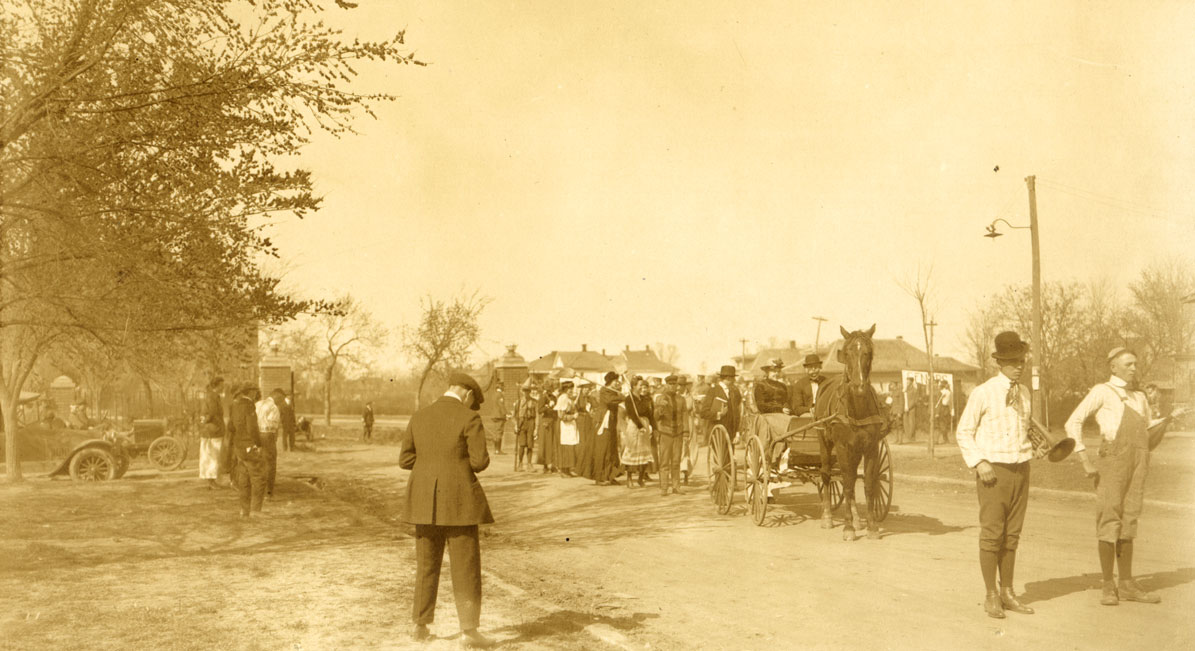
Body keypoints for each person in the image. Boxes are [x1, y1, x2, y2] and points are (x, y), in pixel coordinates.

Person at [1064, 348, 1186, 606]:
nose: (1134, 368)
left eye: (1135, 364)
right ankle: (1109, 585)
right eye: (1128, 364)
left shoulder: (1139, 397)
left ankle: (1127, 584)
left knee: (1130, 518)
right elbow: (1072, 422)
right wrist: (1084, 458)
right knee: (1110, 518)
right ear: (1114, 368)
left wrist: (1168, 420)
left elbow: (1148, 435)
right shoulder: (1102, 392)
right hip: (1113, 460)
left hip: (1139, 462)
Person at [399, 372, 493, 647]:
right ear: (468, 393)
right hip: (459, 503)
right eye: (473, 399)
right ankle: (468, 632)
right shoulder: (469, 417)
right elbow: (479, 461)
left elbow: (405, 460)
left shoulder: (420, 416)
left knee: (426, 565)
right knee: (466, 567)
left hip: (423, 503)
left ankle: (420, 625)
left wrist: (430, 466)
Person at [954, 331, 1036, 619]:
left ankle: (1008, 592)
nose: (1019, 365)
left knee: (1011, 536)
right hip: (994, 473)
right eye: (1012, 361)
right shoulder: (983, 392)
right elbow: (964, 431)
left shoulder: (1024, 393)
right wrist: (979, 463)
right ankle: (991, 595)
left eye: (1021, 360)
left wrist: (1033, 448)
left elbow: (1025, 429)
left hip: (1020, 469)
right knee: (992, 535)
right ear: (999, 362)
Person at [227, 383, 267, 517]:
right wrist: (258, 444)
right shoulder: (249, 405)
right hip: (250, 446)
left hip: (239, 447)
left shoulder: (234, 404)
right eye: (255, 392)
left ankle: (244, 510)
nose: (256, 394)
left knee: (243, 478)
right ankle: (256, 510)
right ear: (250, 392)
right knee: (258, 477)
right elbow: (252, 428)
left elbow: (231, 427)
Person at [653, 375, 687, 495]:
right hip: (665, 433)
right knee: (664, 461)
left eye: (674, 384)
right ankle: (664, 487)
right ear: (666, 385)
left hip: (678, 433)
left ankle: (676, 486)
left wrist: (686, 432)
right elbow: (656, 417)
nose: (672, 387)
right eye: (670, 384)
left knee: (676, 461)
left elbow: (684, 416)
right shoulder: (660, 399)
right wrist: (661, 408)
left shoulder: (681, 399)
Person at [620, 376, 656, 487]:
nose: (642, 388)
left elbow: (650, 415)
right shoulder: (629, 399)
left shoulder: (645, 398)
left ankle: (641, 478)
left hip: (644, 425)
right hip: (634, 426)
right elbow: (632, 414)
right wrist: (640, 426)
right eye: (640, 385)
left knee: (644, 452)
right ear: (634, 386)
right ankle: (629, 478)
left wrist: (654, 427)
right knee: (632, 451)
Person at [591, 372, 624, 485]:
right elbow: (611, 401)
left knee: (611, 449)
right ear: (610, 382)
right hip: (603, 422)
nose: (617, 383)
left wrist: (620, 394)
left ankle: (610, 475)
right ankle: (599, 477)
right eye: (615, 381)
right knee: (603, 449)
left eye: (618, 381)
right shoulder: (604, 391)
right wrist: (622, 395)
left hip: (612, 422)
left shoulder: (614, 392)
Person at [701, 365, 742, 445]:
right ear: (727, 378)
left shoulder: (734, 392)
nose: (734, 380)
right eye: (733, 378)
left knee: (730, 457)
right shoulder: (713, 391)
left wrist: (737, 432)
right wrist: (719, 414)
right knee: (720, 456)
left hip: (731, 433)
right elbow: (703, 413)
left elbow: (737, 414)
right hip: (717, 433)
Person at [199, 376, 227, 489]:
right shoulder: (212, 397)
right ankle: (211, 482)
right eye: (222, 385)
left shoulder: (213, 396)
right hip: (212, 431)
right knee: (212, 456)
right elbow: (210, 414)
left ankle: (211, 481)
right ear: (217, 385)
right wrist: (213, 424)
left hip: (211, 430)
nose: (223, 387)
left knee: (211, 455)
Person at [255, 386, 281, 499]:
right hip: (267, 435)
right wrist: (276, 434)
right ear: (277, 396)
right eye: (281, 398)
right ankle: (268, 492)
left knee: (259, 463)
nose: (281, 401)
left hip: (256, 435)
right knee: (270, 463)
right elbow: (273, 425)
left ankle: (258, 491)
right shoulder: (274, 407)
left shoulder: (258, 404)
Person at [555, 381, 579, 477]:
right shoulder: (563, 398)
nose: (571, 391)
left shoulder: (568, 398)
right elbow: (561, 415)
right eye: (569, 389)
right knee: (565, 447)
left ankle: (568, 468)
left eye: (572, 388)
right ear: (565, 389)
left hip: (570, 425)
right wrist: (573, 416)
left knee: (570, 447)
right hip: (564, 425)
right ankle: (563, 470)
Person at [678, 376, 697, 485]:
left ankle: (686, 473)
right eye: (678, 385)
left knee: (690, 448)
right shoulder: (676, 396)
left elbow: (692, 409)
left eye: (681, 385)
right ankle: (681, 473)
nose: (679, 387)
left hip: (689, 423)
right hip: (679, 423)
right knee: (681, 449)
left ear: (685, 386)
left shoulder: (690, 396)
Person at [513, 386, 537, 472]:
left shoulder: (534, 402)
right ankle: (520, 463)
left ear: (530, 392)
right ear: (522, 392)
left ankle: (529, 464)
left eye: (528, 391)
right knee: (522, 445)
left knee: (530, 445)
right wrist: (516, 425)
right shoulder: (518, 402)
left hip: (531, 423)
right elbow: (514, 415)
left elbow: (537, 416)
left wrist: (536, 428)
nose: (526, 393)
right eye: (524, 391)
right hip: (522, 424)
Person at [490, 384, 507, 454]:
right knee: (499, 432)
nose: (504, 388)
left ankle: (496, 449)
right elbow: (501, 405)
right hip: (499, 416)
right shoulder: (500, 395)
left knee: (495, 432)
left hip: (494, 416)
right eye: (503, 387)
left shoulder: (494, 395)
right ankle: (498, 450)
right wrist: (506, 414)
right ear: (501, 387)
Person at [902, 377, 920, 443]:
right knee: (905, 422)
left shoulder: (914, 390)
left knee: (911, 423)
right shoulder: (904, 389)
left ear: (911, 382)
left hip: (911, 408)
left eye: (908, 382)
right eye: (906, 382)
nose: (907, 383)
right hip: (904, 408)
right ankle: (908, 436)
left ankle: (911, 437)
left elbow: (915, 400)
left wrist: (909, 407)